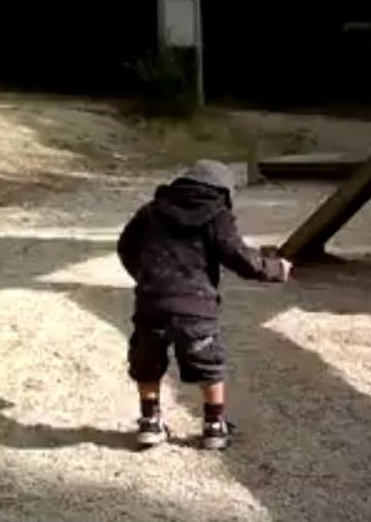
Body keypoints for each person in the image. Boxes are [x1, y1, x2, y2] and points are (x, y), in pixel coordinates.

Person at [116, 159, 292, 450]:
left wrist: (145, 276)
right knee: (209, 365)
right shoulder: (217, 215)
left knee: (146, 362)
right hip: (195, 307)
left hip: (152, 301)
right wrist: (275, 269)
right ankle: (214, 427)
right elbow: (239, 256)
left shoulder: (151, 211)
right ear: (222, 191)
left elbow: (126, 246)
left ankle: (149, 422)